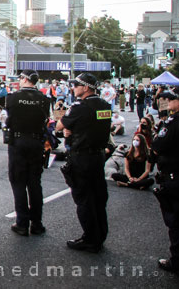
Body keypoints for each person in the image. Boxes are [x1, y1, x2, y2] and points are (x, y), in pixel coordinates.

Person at [55, 73, 111, 253]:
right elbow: (96, 126)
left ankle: (90, 239)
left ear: (86, 87)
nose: (73, 88)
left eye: (76, 85)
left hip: (82, 156)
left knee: (84, 199)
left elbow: (59, 126)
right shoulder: (104, 105)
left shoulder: (79, 106)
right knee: (98, 198)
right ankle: (100, 235)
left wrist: (68, 130)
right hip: (98, 155)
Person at [5, 69, 50, 236]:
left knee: (18, 181)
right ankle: (37, 223)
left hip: (18, 141)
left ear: (24, 79)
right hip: (36, 141)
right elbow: (46, 119)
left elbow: (9, 119)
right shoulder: (44, 99)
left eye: (20, 78)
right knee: (34, 182)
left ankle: (22, 223)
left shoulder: (13, 97)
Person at [151, 85, 179, 275]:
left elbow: (158, 145)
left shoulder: (174, 121)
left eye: (172, 99)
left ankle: (178, 262)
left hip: (176, 177)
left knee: (177, 222)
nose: (168, 102)